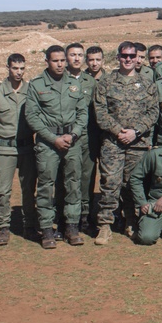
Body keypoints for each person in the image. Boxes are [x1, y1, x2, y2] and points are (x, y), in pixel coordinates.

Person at [93, 41, 160, 245]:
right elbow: (100, 112)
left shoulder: (147, 84)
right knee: (110, 182)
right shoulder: (105, 83)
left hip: (138, 142)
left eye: (132, 56)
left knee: (132, 183)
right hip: (113, 143)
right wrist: (118, 131)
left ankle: (131, 220)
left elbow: (153, 112)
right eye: (124, 56)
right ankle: (105, 225)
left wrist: (135, 132)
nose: (129, 59)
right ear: (118, 57)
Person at [25, 45, 88, 249]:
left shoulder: (74, 84)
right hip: (48, 143)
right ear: (47, 62)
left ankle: (71, 226)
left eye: (62, 60)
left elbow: (82, 113)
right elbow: (32, 117)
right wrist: (53, 138)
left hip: (72, 141)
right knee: (46, 186)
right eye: (55, 60)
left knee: (73, 184)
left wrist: (74, 134)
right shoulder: (36, 85)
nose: (60, 64)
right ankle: (47, 230)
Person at [0, 53, 37, 245]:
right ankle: (3, 228)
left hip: (27, 148)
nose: (18, 72)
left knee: (29, 190)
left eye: (22, 68)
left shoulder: (31, 90)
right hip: (5, 149)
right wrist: (1, 130)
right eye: (15, 68)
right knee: (3, 191)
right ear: (8, 68)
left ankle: (29, 226)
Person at [58, 42, 97, 237]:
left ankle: (84, 217)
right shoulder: (58, 79)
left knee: (86, 178)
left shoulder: (90, 81)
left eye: (80, 55)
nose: (76, 58)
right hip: (65, 136)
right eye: (72, 55)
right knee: (64, 178)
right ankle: (62, 217)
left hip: (86, 138)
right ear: (66, 57)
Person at [80, 45, 106, 231]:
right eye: (91, 59)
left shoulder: (111, 79)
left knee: (109, 176)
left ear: (103, 60)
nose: (94, 63)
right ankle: (84, 215)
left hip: (106, 134)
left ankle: (110, 213)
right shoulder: (80, 80)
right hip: (87, 134)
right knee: (86, 176)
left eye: (98, 59)